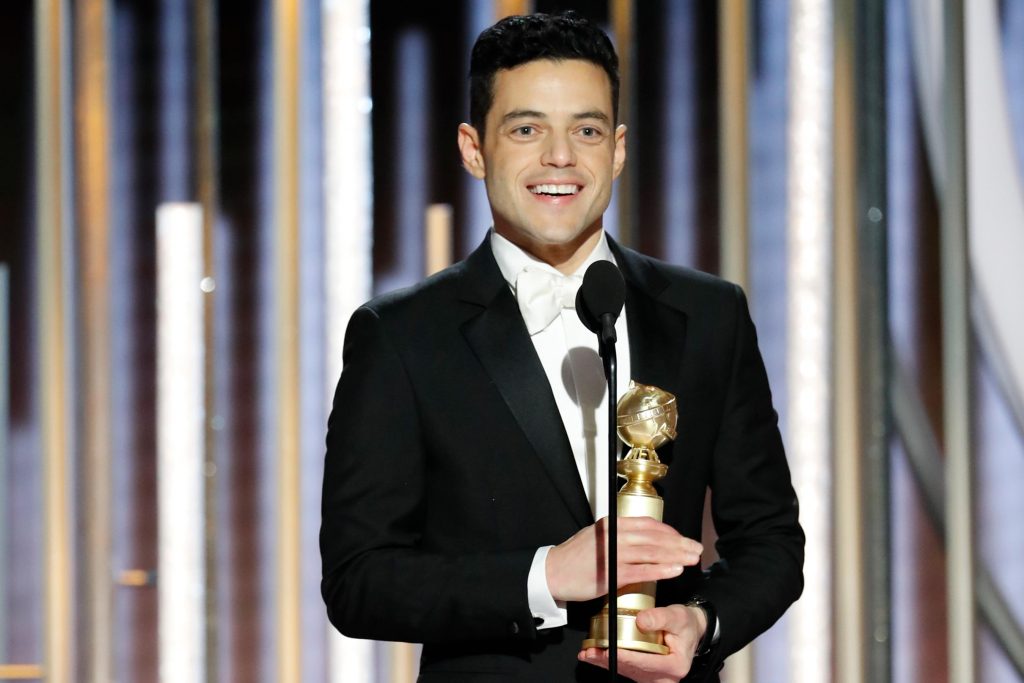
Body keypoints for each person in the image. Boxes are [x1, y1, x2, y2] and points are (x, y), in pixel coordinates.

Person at [320, 11, 804, 682]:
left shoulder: (708, 313)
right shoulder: (402, 335)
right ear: (473, 148)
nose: (560, 157)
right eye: (526, 130)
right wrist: (546, 574)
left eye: (586, 130)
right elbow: (359, 580)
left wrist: (702, 621)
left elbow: (772, 541)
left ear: (619, 148)